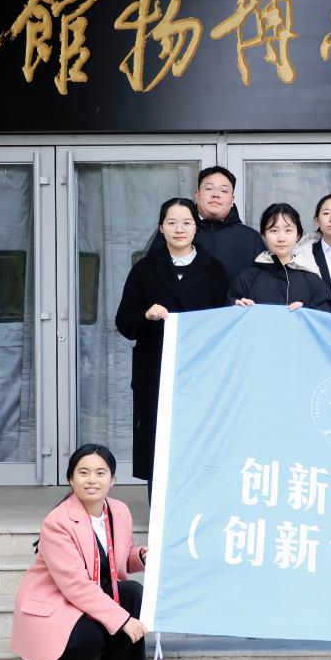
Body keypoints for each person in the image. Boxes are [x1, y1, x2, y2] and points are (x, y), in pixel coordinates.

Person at [116, 198, 230, 496]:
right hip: (156, 370)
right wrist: (146, 316)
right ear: (161, 228)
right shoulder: (144, 270)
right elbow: (124, 321)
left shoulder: (214, 269)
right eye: (172, 223)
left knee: (198, 438)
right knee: (158, 440)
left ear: (196, 228)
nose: (179, 229)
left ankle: (197, 506)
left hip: (200, 372)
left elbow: (225, 323)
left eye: (186, 222)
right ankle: (159, 509)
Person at [10, 445, 149, 660]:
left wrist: (141, 557)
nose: (92, 480)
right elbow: (76, 585)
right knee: (90, 637)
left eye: (100, 473)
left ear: (112, 480)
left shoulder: (119, 511)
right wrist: (123, 621)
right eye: (83, 473)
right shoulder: (57, 522)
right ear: (71, 480)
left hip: (93, 595)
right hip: (58, 602)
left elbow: (119, 561)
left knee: (133, 592)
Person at [144, 165, 264, 291]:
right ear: (197, 194)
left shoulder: (251, 238)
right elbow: (149, 275)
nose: (216, 195)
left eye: (224, 191)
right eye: (209, 188)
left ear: (232, 199)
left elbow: (263, 284)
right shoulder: (177, 232)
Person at [229, 203, 331, 312]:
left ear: (298, 235)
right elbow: (229, 306)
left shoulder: (310, 277)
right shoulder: (249, 277)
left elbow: (327, 308)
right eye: (274, 231)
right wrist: (237, 305)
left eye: (288, 230)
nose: (281, 238)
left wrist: (308, 308)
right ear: (264, 235)